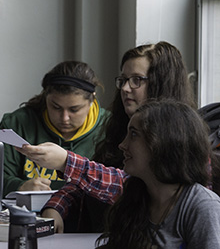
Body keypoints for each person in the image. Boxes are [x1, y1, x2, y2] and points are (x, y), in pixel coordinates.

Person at [39, 41, 196, 233]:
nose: (125, 88)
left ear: (161, 83)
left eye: (137, 80)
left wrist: (67, 162)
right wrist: (54, 207)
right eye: (123, 80)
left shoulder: (186, 140)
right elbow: (83, 186)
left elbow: (134, 187)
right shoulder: (118, 128)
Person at [21, 100, 220, 248]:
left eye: (134, 134)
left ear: (163, 144)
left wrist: (65, 160)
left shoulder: (202, 206)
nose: (122, 145)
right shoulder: (136, 194)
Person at [0, 60, 107, 195]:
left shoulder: (109, 127)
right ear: (45, 98)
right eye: (56, 107)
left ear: (92, 100)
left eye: (74, 109)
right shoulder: (17, 124)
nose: (64, 118)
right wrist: (20, 186)